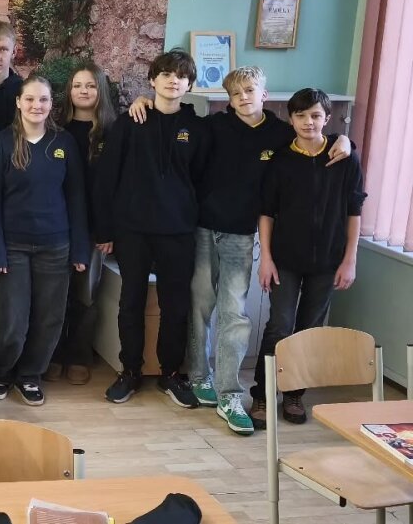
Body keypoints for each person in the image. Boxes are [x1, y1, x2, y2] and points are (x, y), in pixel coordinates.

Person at [125, 67, 350, 433]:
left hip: (241, 237)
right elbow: (173, 120)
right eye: (236, 94)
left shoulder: (280, 133)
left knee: (234, 313)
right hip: (200, 229)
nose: (244, 98)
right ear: (229, 100)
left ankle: (229, 393)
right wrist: (142, 101)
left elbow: (315, 135)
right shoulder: (213, 127)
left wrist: (345, 139)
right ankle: (200, 375)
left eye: (250, 91)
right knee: (199, 306)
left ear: (264, 94)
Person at [93, 49, 207, 408]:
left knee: (176, 305)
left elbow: (202, 180)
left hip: (178, 231)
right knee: (131, 301)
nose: (174, 81)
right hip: (133, 230)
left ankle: (171, 373)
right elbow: (107, 178)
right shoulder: (130, 123)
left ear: (189, 85)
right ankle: (129, 371)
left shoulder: (198, 128)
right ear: (152, 80)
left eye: (182, 76)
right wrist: (104, 230)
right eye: (167, 74)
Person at [250, 88, 364, 428]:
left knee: (309, 329)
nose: (308, 122)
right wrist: (266, 258)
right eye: (301, 116)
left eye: (315, 115)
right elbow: (266, 212)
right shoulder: (281, 159)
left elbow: (354, 210)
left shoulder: (344, 158)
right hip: (285, 258)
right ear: (291, 119)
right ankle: (262, 393)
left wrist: (349, 260)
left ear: (327, 119)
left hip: (328, 260)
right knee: (280, 326)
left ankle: (294, 393)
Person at [0, 75, 88, 406]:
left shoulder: (63, 143)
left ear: (51, 104)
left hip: (56, 247)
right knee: (11, 322)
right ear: (18, 102)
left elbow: (77, 198)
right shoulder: (0, 144)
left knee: (49, 319)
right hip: (11, 247)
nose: (36, 105)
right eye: (29, 99)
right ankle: (1, 372)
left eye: (43, 99)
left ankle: (30, 375)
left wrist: (80, 249)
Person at [47, 63, 117, 386]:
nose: (84, 91)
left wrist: (107, 229)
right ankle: (52, 353)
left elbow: (116, 187)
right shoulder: (56, 131)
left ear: (100, 90)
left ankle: (78, 355)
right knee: (54, 294)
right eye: (77, 85)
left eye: (90, 85)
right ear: (69, 91)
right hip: (57, 227)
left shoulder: (113, 132)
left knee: (85, 295)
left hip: (94, 230)